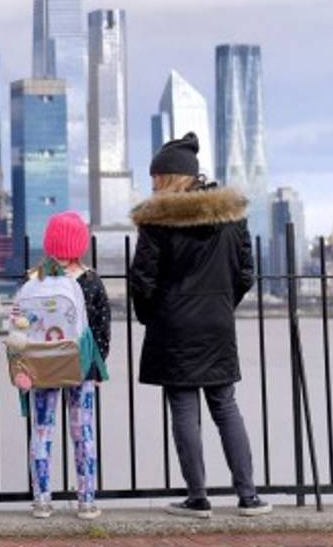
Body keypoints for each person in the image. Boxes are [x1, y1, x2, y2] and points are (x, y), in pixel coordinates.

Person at [129, 132, 272, 518]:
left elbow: (142, 279)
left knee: (183, 408)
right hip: (217, 325)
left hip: (173, 327)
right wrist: (221, 306)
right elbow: (245, 273)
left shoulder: (157, 220)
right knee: (225, 405)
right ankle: (249, 497)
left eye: (156, 177)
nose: (152, 184)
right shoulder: (231, 216)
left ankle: (198, 498)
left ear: (168, 177)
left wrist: (153, 315)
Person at [17, 211, 111, 520]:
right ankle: (87, 500)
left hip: (42, 365)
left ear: (49, 243)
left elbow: (20, 325)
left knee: (41, 431)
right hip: (80, 366)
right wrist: (97, 366)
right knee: (83, 431)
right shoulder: (91, 281)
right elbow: (101, 329)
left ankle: (42, 500)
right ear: (81, 244)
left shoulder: (33, 280)